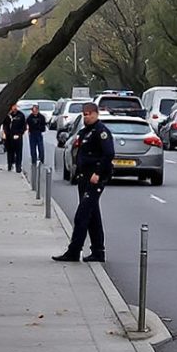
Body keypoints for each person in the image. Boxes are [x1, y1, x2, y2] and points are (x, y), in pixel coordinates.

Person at [52, 112, 118, 262]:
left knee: (82, 215)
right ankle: (98, 251)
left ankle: (74, 251)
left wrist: (98, 173)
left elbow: (109, 154)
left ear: (96, 114)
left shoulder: (101, 131)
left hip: (95, 178)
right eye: (84, 114)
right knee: (93, 215)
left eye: (89, 114)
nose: (86, 117)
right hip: (84, 177)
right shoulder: (84, 132)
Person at [26, 103, 49, 169]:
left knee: (40, 148)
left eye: (35, 110)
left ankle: (41, 160)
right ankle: (34, 160)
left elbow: (43, 126)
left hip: (39, 134)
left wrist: (39, 128)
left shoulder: (41, 117)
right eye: (33, 110)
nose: (34, 112)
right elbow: (28, 124)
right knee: (32, 148)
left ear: (38, 110)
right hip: (32, 134)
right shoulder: (30, 117)